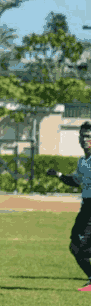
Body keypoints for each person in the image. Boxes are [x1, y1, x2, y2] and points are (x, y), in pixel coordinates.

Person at [47, 122, 91, 291]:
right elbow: (75, 181)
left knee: (81, 246)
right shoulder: (83, 162)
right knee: (75, 245)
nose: (84, 139)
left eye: (87, 136)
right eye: (82, 135)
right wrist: (58, 175)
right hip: (86, 207)